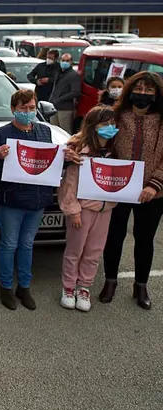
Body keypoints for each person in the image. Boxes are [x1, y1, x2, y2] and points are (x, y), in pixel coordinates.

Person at [0, 89, 79, 310]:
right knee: (9, 245)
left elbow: (50, 162)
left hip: (38, 199)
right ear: (13, 109)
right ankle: (5, 286)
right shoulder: (1, 133)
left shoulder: (44, 131)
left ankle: (24, 286)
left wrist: (67, 159)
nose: (28, 112)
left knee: (27, 245)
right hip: (12, 199)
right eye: (23, 108)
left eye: (31, 107)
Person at [100, 72, 163, 310]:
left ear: (156, 94)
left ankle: (141, 285)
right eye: (139, 88)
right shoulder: (116, 115)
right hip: (119, 187)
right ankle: (110, 281)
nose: (143, 93)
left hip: (152, 192)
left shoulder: (161, 120)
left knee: (145, 239)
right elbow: (96, 140)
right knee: (114, 236)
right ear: (130, 90)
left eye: (149, 90)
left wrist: (154, 184)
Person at [58, 105, 118, 312]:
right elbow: (69, 184)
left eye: (113, 123)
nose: (110, 127)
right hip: (82, 210)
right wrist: (73, 210)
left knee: (94, 251)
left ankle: (84, 287)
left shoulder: (115, 151)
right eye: (105, 124)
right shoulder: (79, 151)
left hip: (105, 209)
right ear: (93, 126)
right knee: (75, 250)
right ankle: (68, 287)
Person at [48, 53, 81, 134]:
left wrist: (61, 98)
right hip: (54, 106)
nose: (65, 62)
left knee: (64, 130)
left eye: (67, 61)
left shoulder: (74, 75)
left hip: (65, 108)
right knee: (54, 129)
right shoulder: (58, 73)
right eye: (63, 60)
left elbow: (76, 92)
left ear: (71, 62)